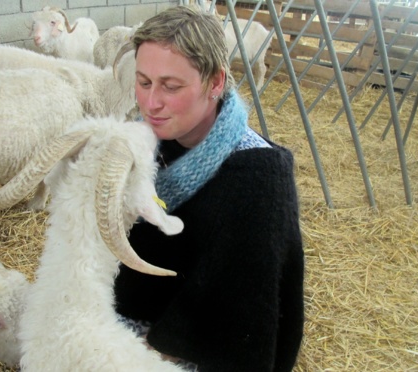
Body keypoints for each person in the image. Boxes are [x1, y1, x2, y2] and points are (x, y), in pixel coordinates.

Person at [113, 5, 305, 372]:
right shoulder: (135, 146)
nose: (151, 103)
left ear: (215, 82)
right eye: (143, 82)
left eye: (171, 86)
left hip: (193, 348)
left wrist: (142, 350)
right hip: (125, 316)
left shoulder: (258, 176)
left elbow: (245, 301)